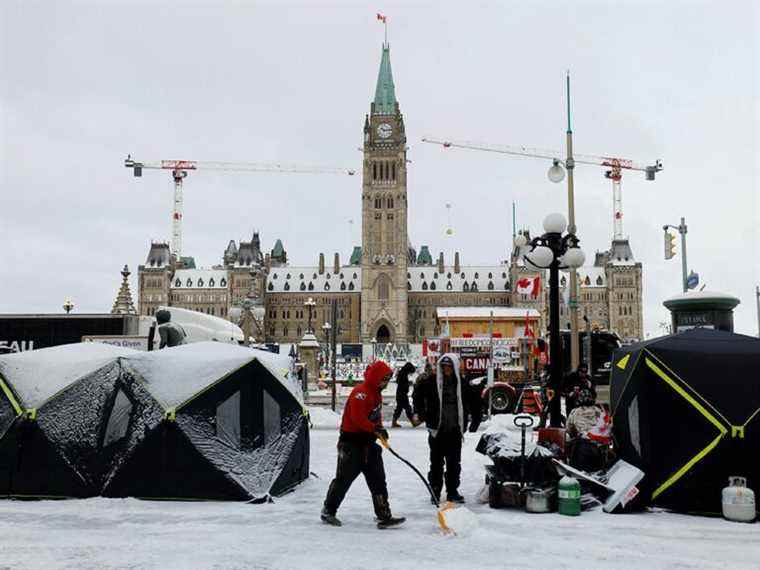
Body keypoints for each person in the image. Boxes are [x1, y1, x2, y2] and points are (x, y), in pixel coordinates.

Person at [322, 360, 405, 529]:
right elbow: (357, 418)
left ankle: (384, 515)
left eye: (387, 380)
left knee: (378, 481)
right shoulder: (361, 392)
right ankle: (328, 511)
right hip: (351, 445)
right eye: (383, 379)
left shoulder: (376, 393)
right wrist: (375, 429)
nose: (385, 383)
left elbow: (376, 414)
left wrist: (380, 428)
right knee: (343, 480)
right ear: (376, 377)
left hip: (369, 445)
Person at [412, 353, 467, 504]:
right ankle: (435, 491)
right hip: (437, 431)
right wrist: (420, 413)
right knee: (436, 463)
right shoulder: (430, 382)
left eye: (449, 367)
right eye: (444, 367)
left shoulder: (461, 383)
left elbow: (470, 401)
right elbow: (417, 396)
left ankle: (452, 491)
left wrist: (472, 420)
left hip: (454, 430)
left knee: (454, 463)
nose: (447, 369)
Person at [566, 388, 612, 472]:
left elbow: (569, 430)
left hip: (583, 446)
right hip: (599, 446)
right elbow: (606, 427)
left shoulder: (574, 412)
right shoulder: (598, 411)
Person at [391, 362, 419, 427]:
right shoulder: (403, 374)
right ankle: (413, 422)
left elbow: (400, 382)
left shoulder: (402, 372)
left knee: (399, 408)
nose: (410, 373)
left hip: (400, 394)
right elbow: (402, 384)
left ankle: (394, 422)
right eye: (410, 372)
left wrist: (408, 383)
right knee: (407, 408)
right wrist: (409, 384)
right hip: (402, 394)